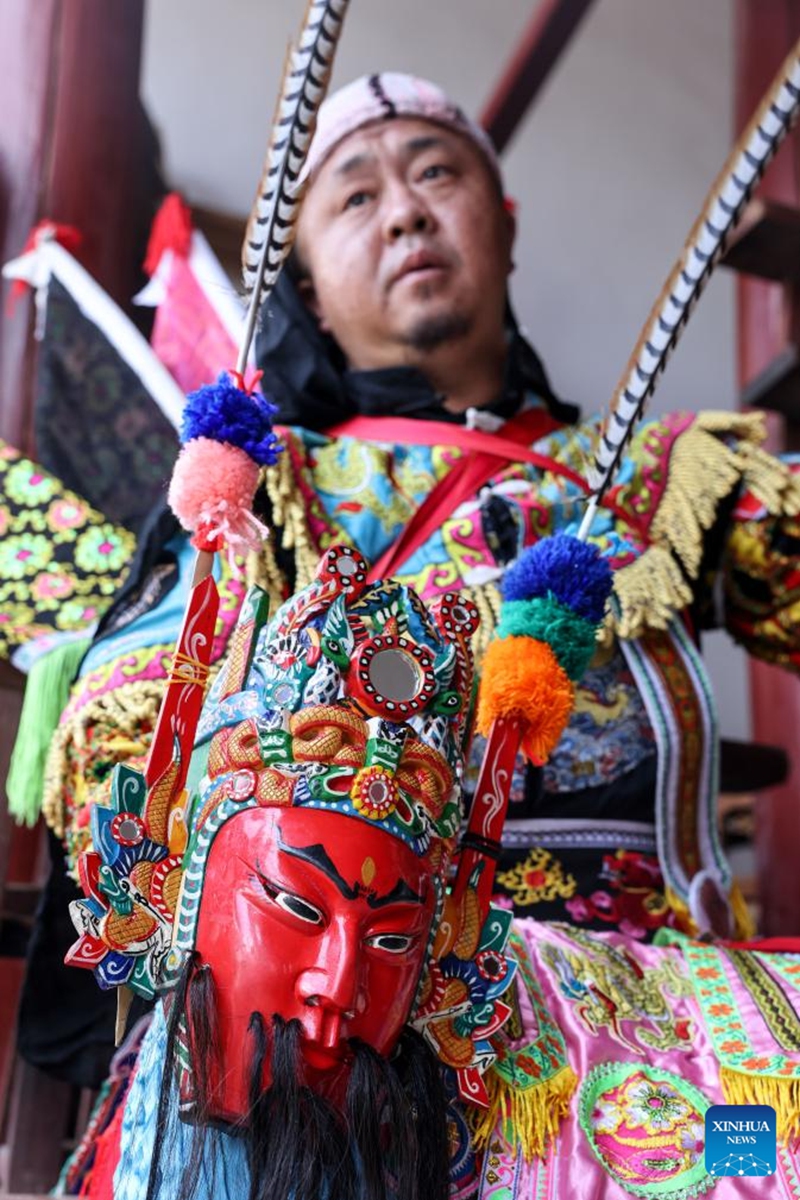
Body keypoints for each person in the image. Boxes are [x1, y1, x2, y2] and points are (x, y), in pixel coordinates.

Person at [47, 71, 800, 1198]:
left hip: (664, 1017)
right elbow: (130, 733)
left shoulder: (666, 474)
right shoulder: (264, 484)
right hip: (368, 1014)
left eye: (437, 173)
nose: (403, 209)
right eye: (354, 196)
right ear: (302, 271)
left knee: (756, 1147)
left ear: (501, 226)